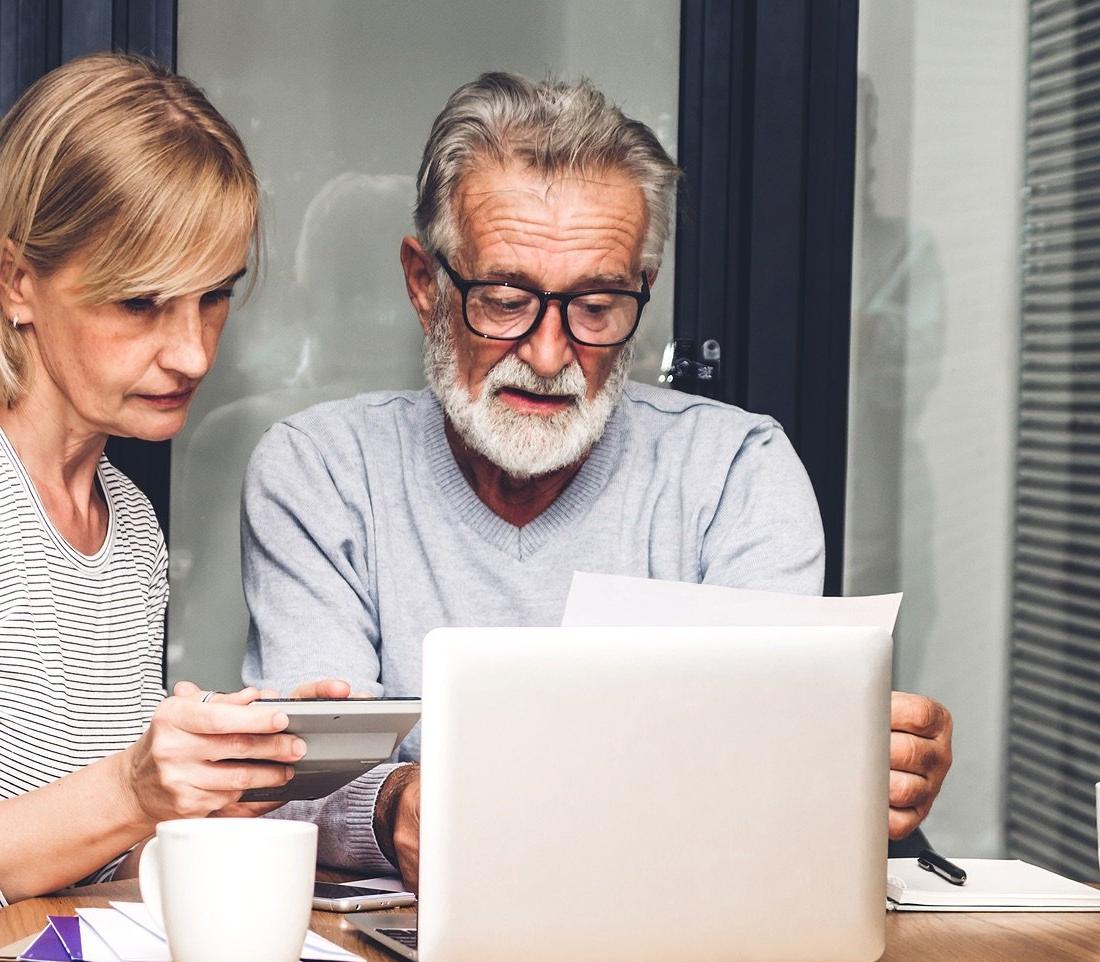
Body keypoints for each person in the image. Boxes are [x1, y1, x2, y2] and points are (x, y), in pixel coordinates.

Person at [242, 72, 953, 890]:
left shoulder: (738, 475)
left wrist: (865, 770)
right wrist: (392, 804)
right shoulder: (321, 472)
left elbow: (773, 778)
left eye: (598, 306)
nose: (548, 357)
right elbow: (286, 782)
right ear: (424, 284)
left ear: (642, 294)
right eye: (505, 300)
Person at [0, 53, 312, 906]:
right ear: (17, 281)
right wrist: (133, 790)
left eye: (214, 296)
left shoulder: (129, 525)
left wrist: (232, 780)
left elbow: (83, 866)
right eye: (140, 303)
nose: (194, 352)